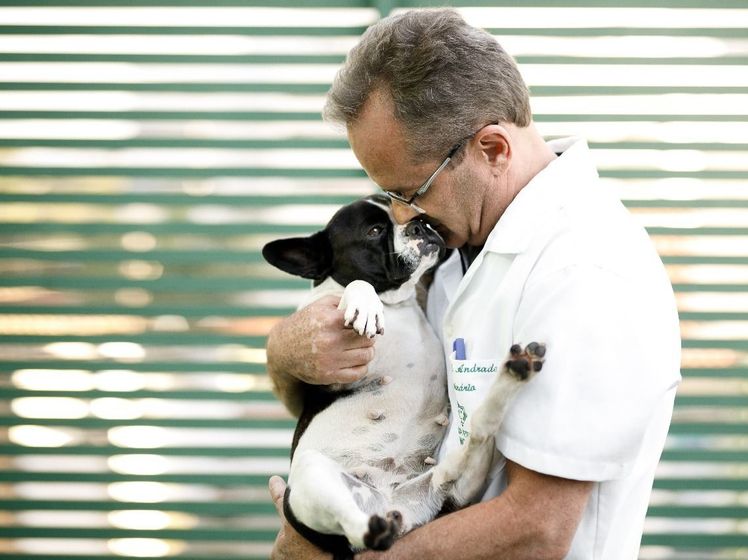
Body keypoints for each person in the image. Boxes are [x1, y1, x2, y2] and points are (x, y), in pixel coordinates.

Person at [266, 8, 681, 559]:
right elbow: (361, 398)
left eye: (410, 192)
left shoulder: (586, 273)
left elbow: (536, 529)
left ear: (492, 150)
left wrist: (321, 550)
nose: (401, 216)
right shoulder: (458, 240)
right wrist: (283, 352)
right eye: (389, 197)